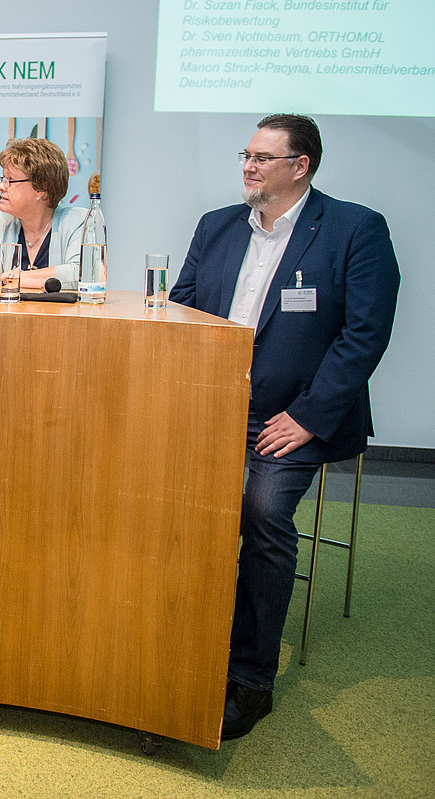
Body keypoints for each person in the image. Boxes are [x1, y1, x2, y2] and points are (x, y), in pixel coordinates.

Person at [170, 114, 400, 740]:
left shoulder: (355, 229)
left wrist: (306, 416)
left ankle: (249, 677)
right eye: (246, 154)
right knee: (160, 496)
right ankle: (176, 651)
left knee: (263, 510)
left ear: (300, 167)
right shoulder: (216, 226)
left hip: (291, 417)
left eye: (264, 158)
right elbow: (183, 308)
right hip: (210, 408)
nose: (249, 165)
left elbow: (364, 336)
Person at [0, 137, 87, 292]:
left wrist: (10, 278)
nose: (1, 186)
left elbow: (81, 274)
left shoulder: (78, 222)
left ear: (41, 188)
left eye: (10, 180)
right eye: (3, 178)